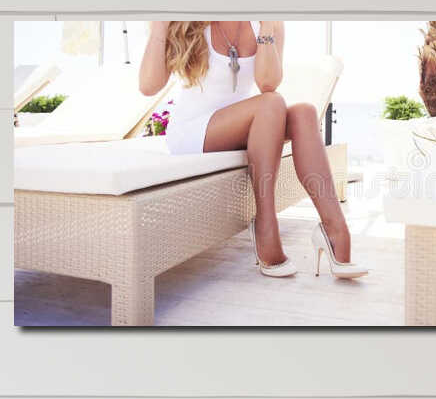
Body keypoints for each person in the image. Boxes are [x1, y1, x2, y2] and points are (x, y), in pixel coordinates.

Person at [139, 20, 364, 279]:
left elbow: (267, 83)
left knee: (304, 113)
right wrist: (160, 26)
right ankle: (266, 222)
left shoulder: (268, 24)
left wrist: (266, 26)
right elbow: (148, 86)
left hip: (239, 125)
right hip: (193, 132)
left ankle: (335, 230)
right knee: (272, 103)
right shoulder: (191, 20)